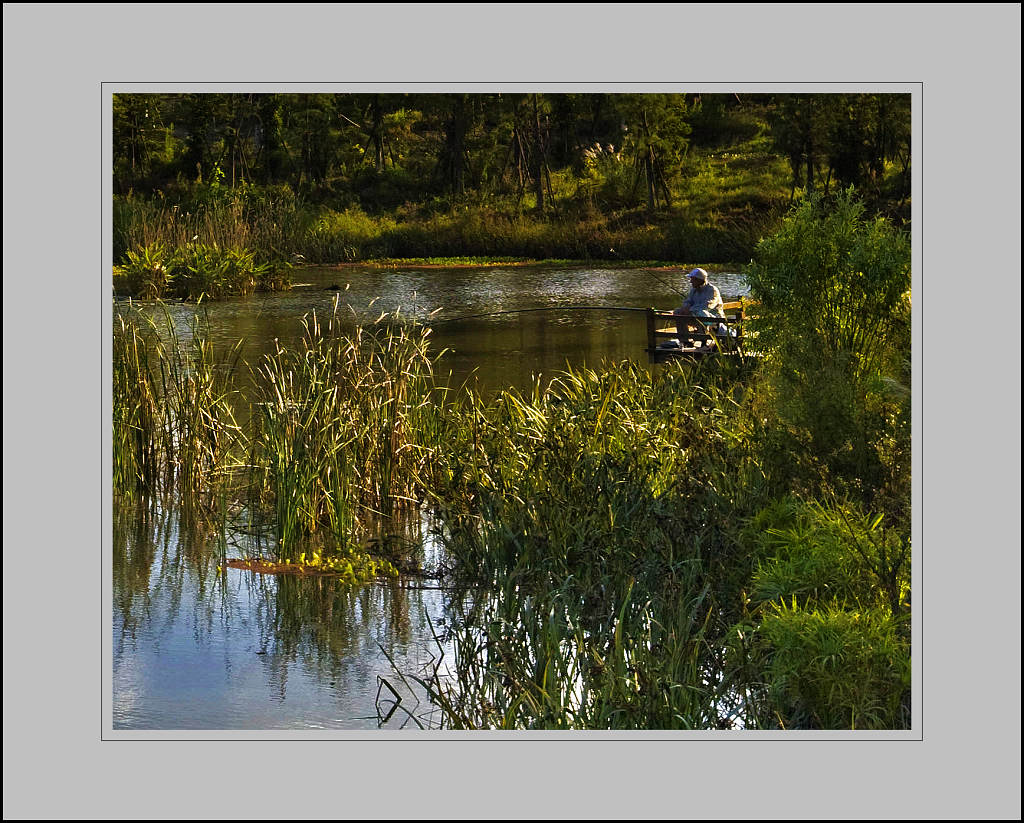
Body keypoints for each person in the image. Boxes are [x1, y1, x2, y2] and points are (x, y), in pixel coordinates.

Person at [673, 268, 724, 347]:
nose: (691, 282)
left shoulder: (712, 290)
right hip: (696, 316)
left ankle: (704, 341)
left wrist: (690, 310)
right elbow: (688, 301)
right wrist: (685, 308)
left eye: (692, 279)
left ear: (699, 280)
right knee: (677, 312)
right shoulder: (694, 290)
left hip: (713, 320)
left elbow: (707, 306)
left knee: (701, 313)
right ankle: (685, 341)